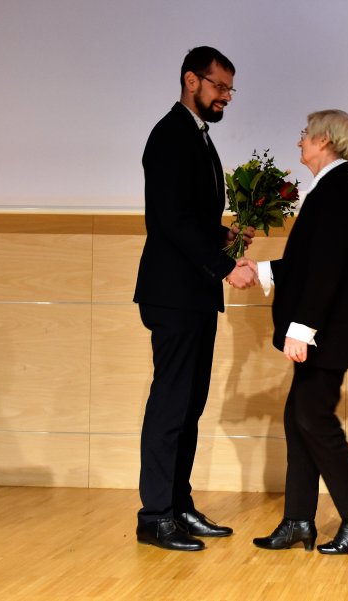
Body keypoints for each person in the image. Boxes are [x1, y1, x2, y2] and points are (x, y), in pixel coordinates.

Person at [243, 109, 348, 555]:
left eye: (305, 134)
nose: (300, 141)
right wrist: (262, 269)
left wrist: (301, 329)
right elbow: (310, 262)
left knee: (311, 417)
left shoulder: (336, 192)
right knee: (298, 417)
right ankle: (299, 519)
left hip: (328, 332)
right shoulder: (330, 189)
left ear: (325, 140)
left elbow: (325, 271)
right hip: (328, 329)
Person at [133, 46, 257, 552]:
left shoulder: (198, 138)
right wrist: (225, 266)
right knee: (171, 403)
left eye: (229, 89)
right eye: (218, 87)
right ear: (191, 81)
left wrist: (229, 238)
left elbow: (195, 220)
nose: (225, 97)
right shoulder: (169, 136)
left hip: (195, 294)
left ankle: (179, 505)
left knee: (190, 403)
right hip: (174, 293)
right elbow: (173, 220)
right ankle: (155, 515)